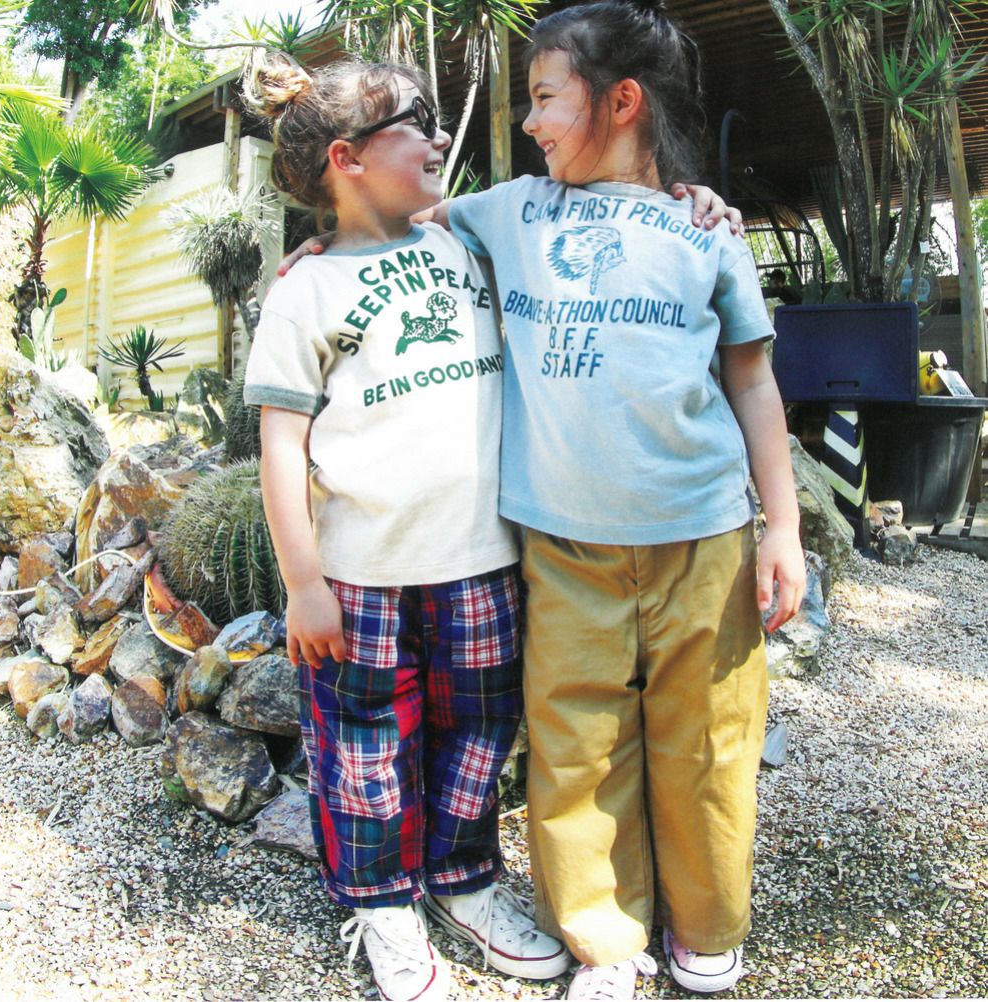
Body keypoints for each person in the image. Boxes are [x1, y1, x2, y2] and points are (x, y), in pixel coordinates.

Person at [434, 1, 806, 997]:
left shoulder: (704, 229)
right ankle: (605, 939)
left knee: (711, 736)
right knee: (575, 744)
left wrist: (784, 527)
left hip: (705, 536)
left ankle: (708, 922)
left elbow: (752, 381)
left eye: (545, 97)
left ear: (622, 100)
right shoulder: (510, 210)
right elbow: (404, 226)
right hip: (563, 545)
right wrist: (325, 251)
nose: (530, 122)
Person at [240, 56, 573, 1002]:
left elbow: (580, 209)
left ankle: (465, 879)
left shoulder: (464, 240)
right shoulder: (305, 290)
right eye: (415, 124)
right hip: (360, 573)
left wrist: (689, 198)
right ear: (346, 158)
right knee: (363, 746)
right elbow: (281, 444)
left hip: (482, 559)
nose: (439, 138)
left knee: (479, 733)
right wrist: (303, 582)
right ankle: (383, 900)